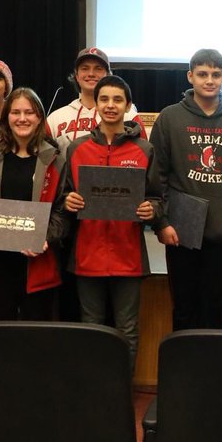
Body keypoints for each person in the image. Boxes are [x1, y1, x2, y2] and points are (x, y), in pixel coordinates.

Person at [150, 48, 222, 331]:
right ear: (190, 77)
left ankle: (212, 361)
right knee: (183, 307)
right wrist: (163, 222)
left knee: (216, 306)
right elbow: (157, 174)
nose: (209, 80)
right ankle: (182, 361)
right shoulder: (169, 117)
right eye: (202, 74)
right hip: (180, 230)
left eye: (216, 75)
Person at [61, 75, 162, 367]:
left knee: (127, 329)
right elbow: (64, 194)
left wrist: (152, 210)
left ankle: (121, 389)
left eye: (118, 100)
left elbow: (157, 198)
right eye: (104, 99)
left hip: (128, 254)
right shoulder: (77, 148)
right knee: (91, 328)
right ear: (95, 104)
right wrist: (68, 201)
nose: (110, 105)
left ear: (128, 106)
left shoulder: (144, 150)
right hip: (87, 253)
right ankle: (94, 388)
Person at [0, 87, 69, 323]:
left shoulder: (55, 161)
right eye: (15, 112)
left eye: (29, 113)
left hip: (37, 265)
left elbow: (62, 211)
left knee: (35, 336)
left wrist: (45, 237)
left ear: (40, 118)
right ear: (6, 117)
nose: (22, 119)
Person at [46, 47, 141, 149]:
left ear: (108, 75)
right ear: (77, 76)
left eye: (98, 68)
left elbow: (142, 153)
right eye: (85, 68)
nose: (91, 74)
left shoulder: (130, 117)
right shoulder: (55, 119)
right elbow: (44, 156)